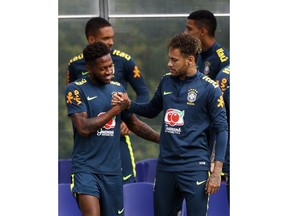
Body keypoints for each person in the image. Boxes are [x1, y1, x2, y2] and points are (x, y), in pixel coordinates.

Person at [112, 33, 228, 216]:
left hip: (194, 166)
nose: (169, 64)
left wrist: (216, 172)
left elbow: (222, 129)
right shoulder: (166, 81)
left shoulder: (209, 88)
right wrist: (129, 105)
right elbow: (151, 109)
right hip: (166, 166)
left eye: (174, 60)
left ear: (190, 60)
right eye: (169, 59)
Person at [65, 41, 160, 216]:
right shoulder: (76, 90)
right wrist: (115, 110)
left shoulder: (118, 89)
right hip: (86, 169)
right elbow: (84, 128)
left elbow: (134, 124)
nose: (109, 71)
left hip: (113, 172)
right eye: (103, 68)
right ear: (89, 67)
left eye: (111, 66)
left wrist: (161, 139)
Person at [66, 17, 150, 183]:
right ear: (91, 39)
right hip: (89, 143)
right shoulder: (75, 65)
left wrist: (130, 119)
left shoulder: (124, 60)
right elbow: (74, 106)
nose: (111, 42)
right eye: (106, 38)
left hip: (116, 137)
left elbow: (143, 92)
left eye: (112, 37)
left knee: (125, 186)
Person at [184, 9, 230, 81]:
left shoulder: (223, 60)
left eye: (189, 29)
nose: (185, 33)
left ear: (202, 31)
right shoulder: (194, 55)